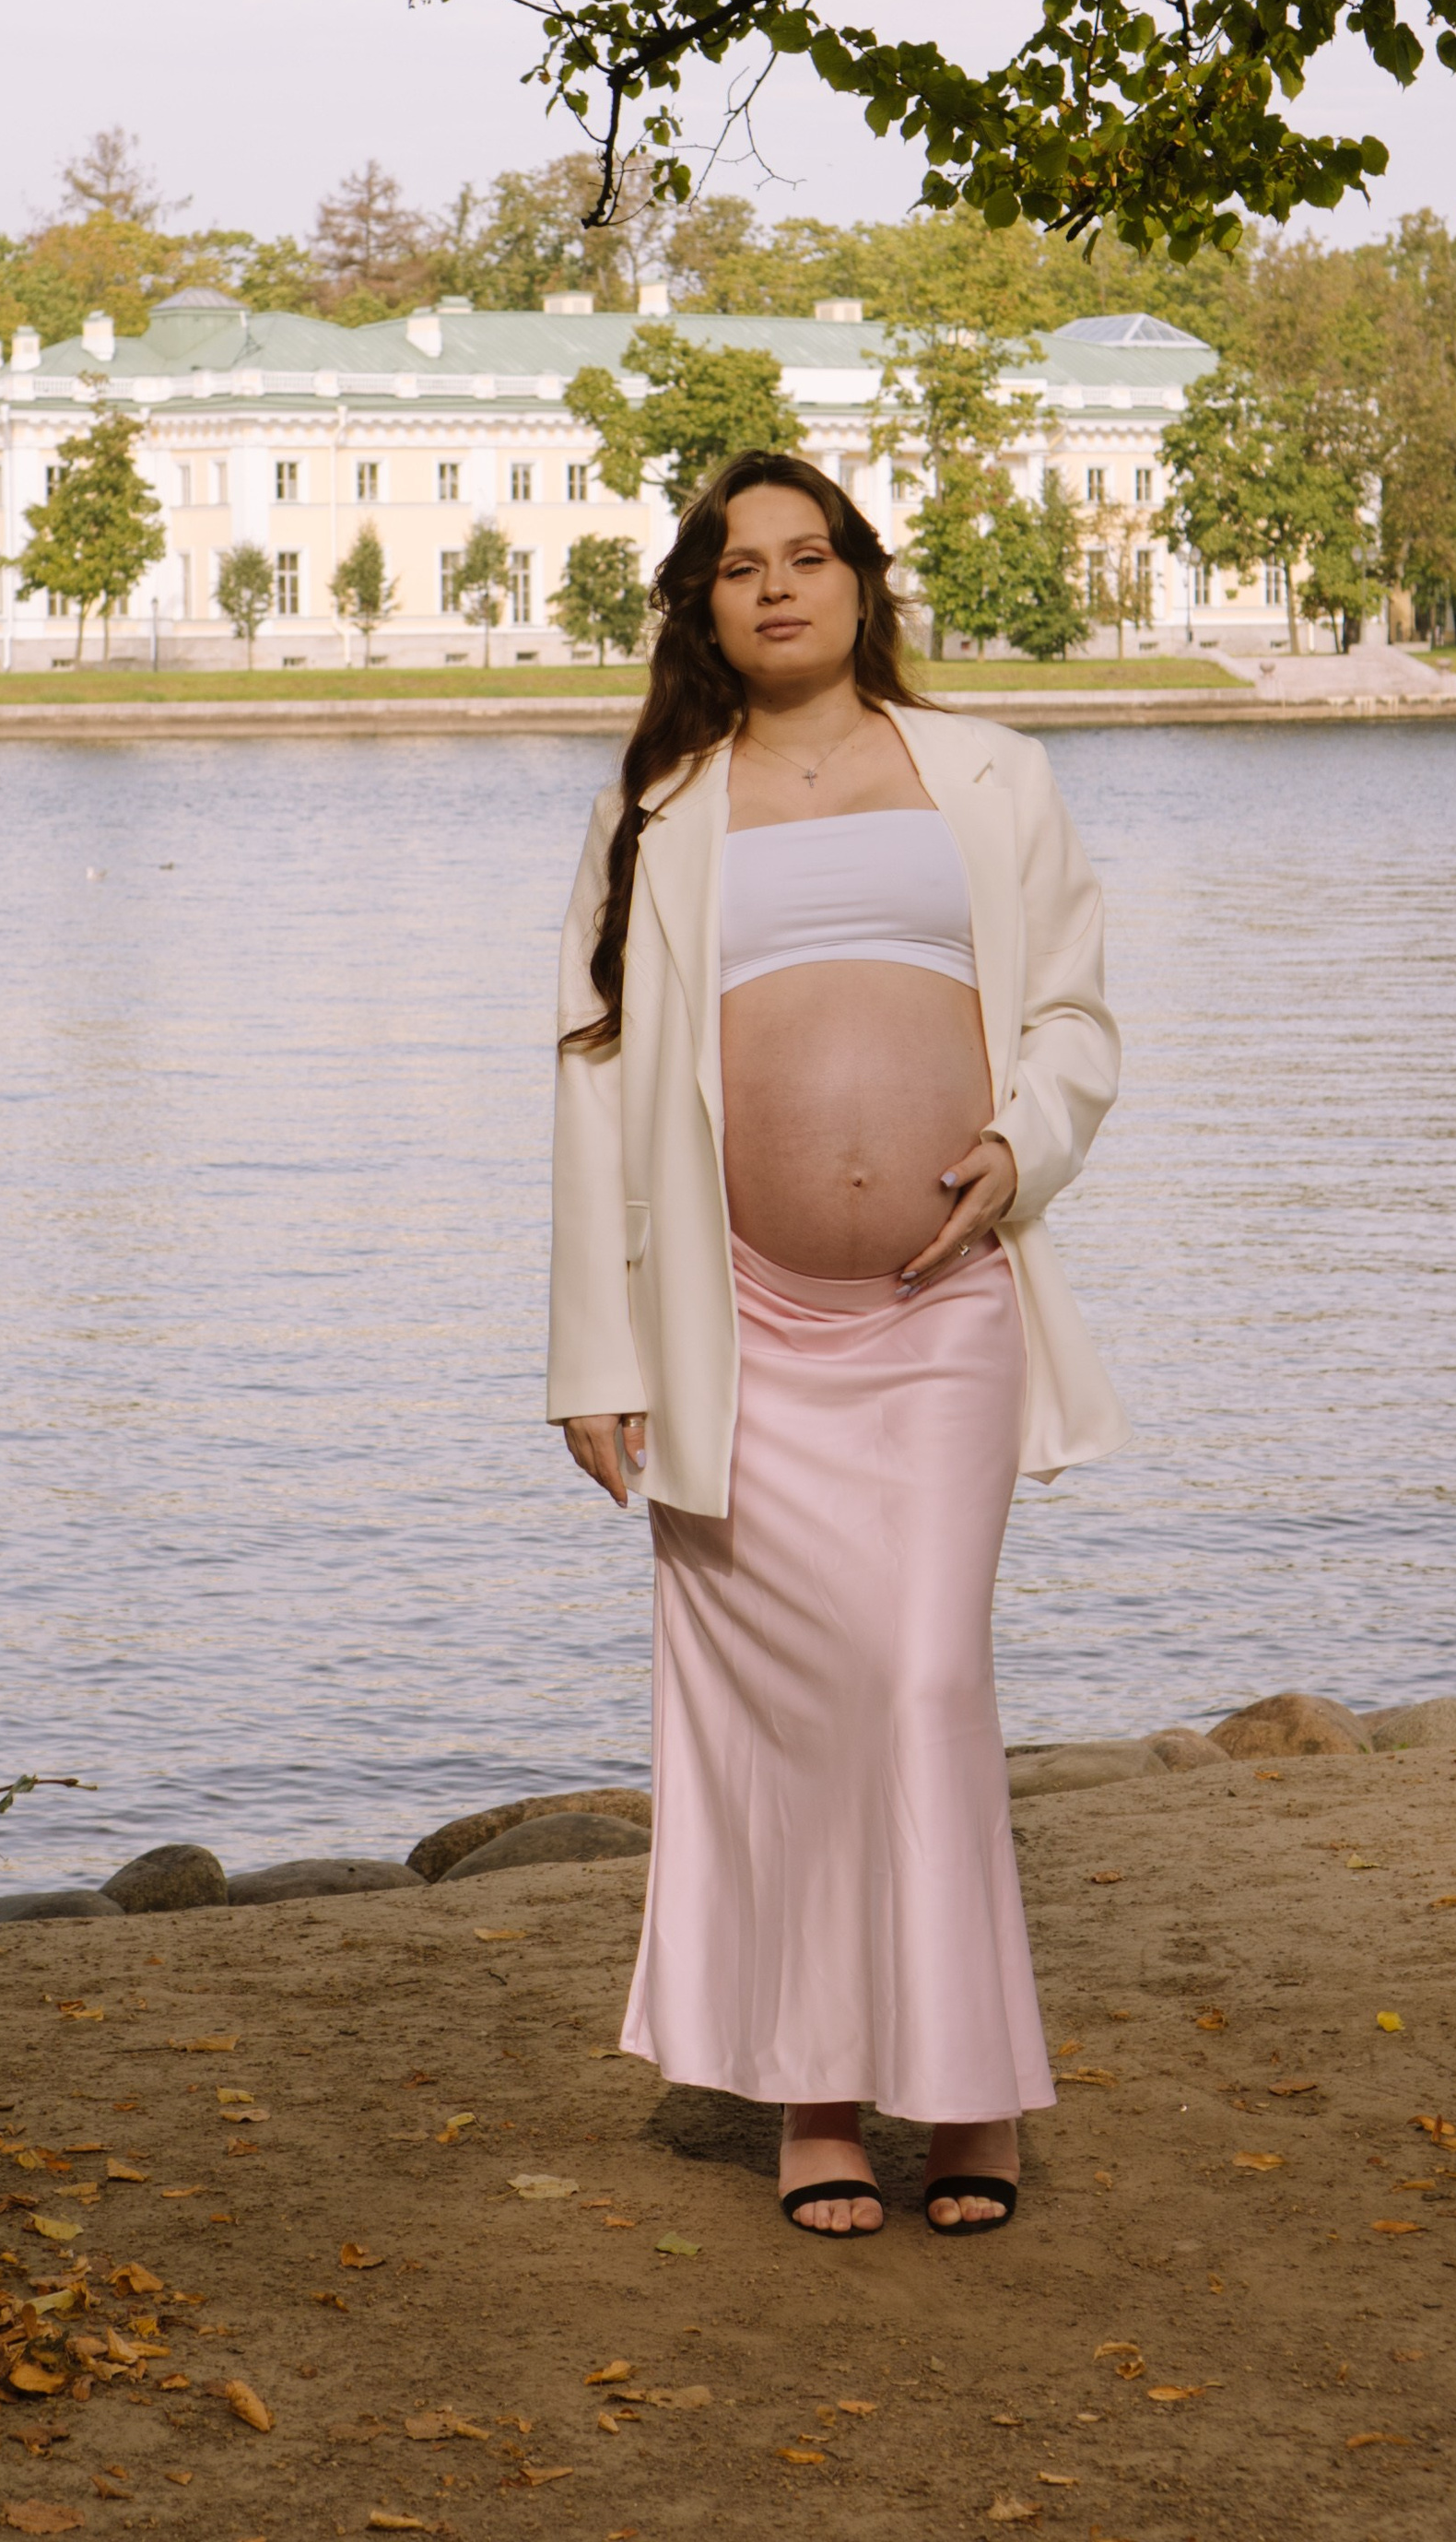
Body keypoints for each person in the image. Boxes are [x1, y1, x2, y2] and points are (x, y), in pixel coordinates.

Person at [548, 451, 1124, 2239]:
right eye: (739, 568)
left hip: (934, 1309)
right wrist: (595, 1351)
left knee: (925, 1681)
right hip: (739, 1330)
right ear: (699, 605)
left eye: (809, 558)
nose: (777, 589)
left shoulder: (986, 777)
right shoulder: (658, 803)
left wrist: (1021, 1145)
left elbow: (1073, 1020)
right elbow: (589, 1075)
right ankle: (813, 2090)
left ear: (862, 582)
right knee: (799, 1715)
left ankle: (963, 2096)